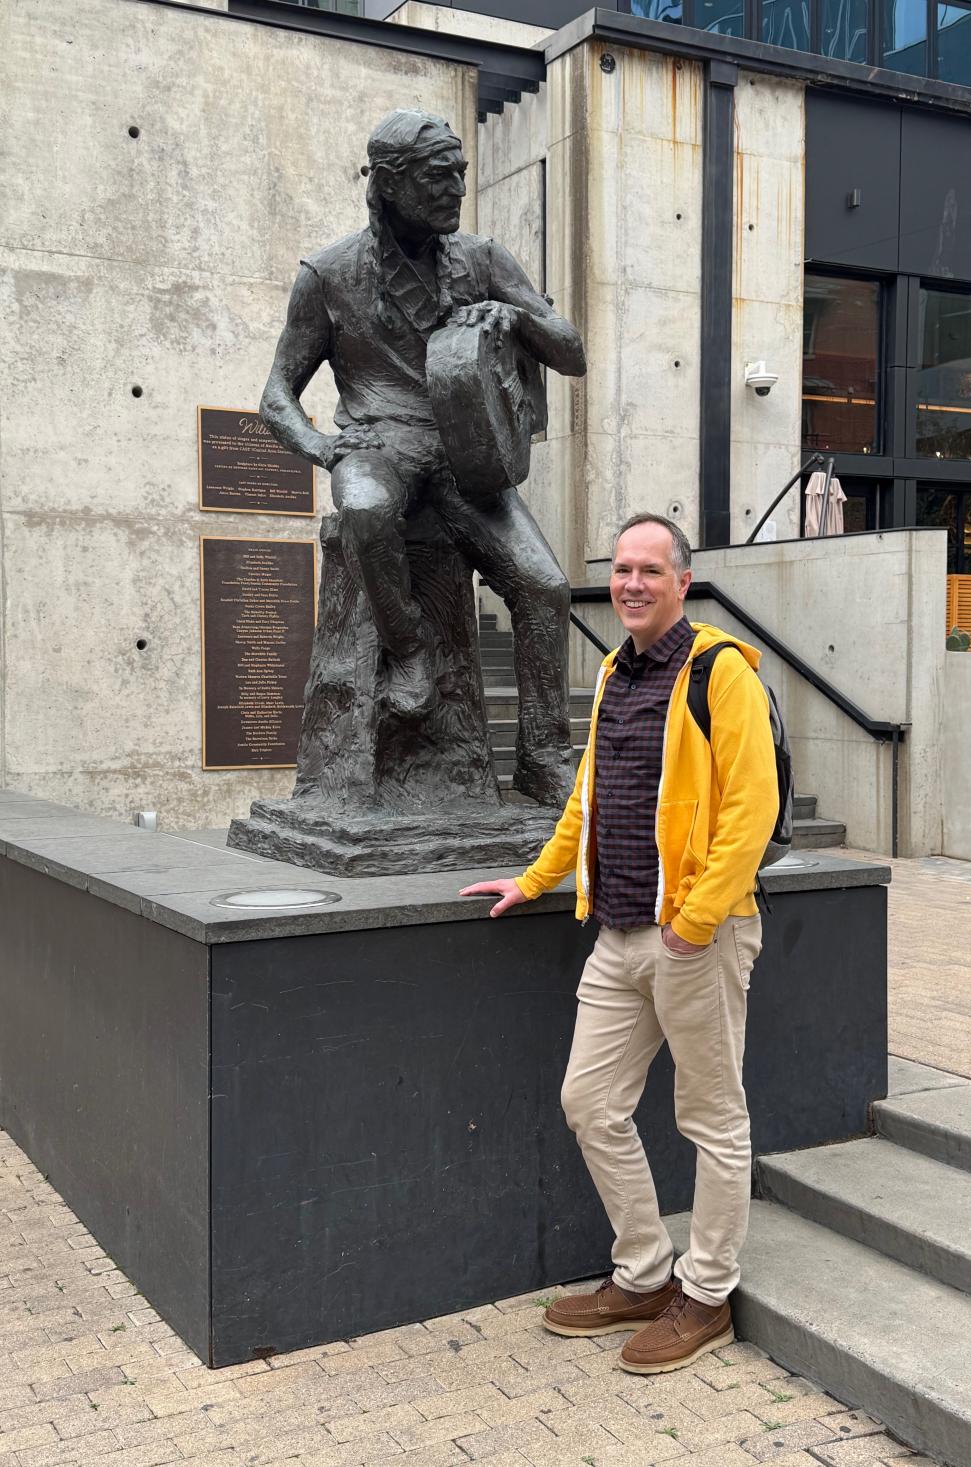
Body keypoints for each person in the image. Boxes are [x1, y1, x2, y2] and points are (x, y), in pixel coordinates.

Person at [461, 513, 778, 1375]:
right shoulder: (611, 672)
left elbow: (753, 811)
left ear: (682, 580)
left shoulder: (721, 674)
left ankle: (705, 1292)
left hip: (695, 938)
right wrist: (533, 878)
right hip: (618, 932)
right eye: (623, 569)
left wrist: (697, 918)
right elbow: (587, 799)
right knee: (589, 1102)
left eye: (650, 569)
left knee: (711, 1119)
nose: (632, 583)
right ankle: (642, 1271)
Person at [259, 108, 586, 806]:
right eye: (439, 176)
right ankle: (408, 651)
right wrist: (322, 446)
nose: (456, 189)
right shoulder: (330, 273)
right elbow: (276, 393)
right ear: (389, 182)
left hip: (468, 456)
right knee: (367, 506)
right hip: (379, 439)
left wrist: (516, 318)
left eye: (461, 174)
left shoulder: (484, 258)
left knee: (545, 587)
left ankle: (543, 758)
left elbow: (572, 350)